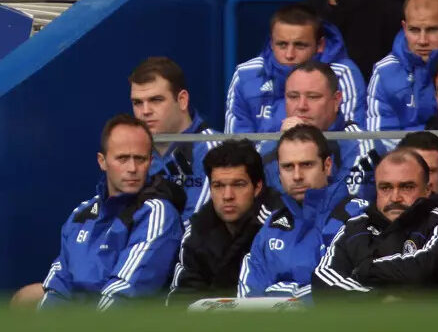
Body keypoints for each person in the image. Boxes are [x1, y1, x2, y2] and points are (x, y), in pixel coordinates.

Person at [38, 115, 185, 310]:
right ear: (102, 161)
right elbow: (57, 288)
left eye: (139, 159)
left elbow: (124, 296)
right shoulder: (81, 214)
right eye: (122, 158)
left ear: (150, 162)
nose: (132, 168)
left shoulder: (157, 213)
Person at [237, 125, 367, 299]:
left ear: (327, 166)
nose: (297, 176)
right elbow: (249, 296)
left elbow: (347, 291)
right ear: (279, 172)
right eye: (288, 167)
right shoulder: (272, 224)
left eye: (306, 165)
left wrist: (281, 294)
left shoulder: (357, 216)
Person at [312, 149, 438, 295]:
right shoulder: (355, 226)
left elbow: (423, 269)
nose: (395, 198)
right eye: (386, 188)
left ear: (427, 189)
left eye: (407, 187)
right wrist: (375, 299)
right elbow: (324, 278)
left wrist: (364, 269)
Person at [167, 140, 280, 304]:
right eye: (218, 186)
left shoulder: (279, 225)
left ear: (257, 187)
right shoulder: (197, 231)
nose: (227, 196)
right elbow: (182, 299)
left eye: (238, 184)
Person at [225, 4, 365, 134]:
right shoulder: (246, 75)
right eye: (282, 45)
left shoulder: (343, 74)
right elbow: (235, 147)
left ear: (320, 45)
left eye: (300, 45)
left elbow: (353, 140)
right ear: (271, 43)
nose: (289, 55)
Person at [259, 62, 379, 202]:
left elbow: (351, 204)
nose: (301, 106)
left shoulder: (361, 145)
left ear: (336, 101)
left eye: (313, 97)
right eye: (293, 97)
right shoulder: (267, 147)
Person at [367, 0, 438, 135]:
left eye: (432, 30)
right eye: (414, 30)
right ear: (404, 27)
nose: (422, 41)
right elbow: (378, 138)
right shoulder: (385, 71)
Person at [129, 57, 220, 224]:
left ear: (182, 100)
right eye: (137, 103)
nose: (145, 111)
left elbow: (195, 227)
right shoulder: (132, 154)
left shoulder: (214, 152)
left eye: (156, 100)